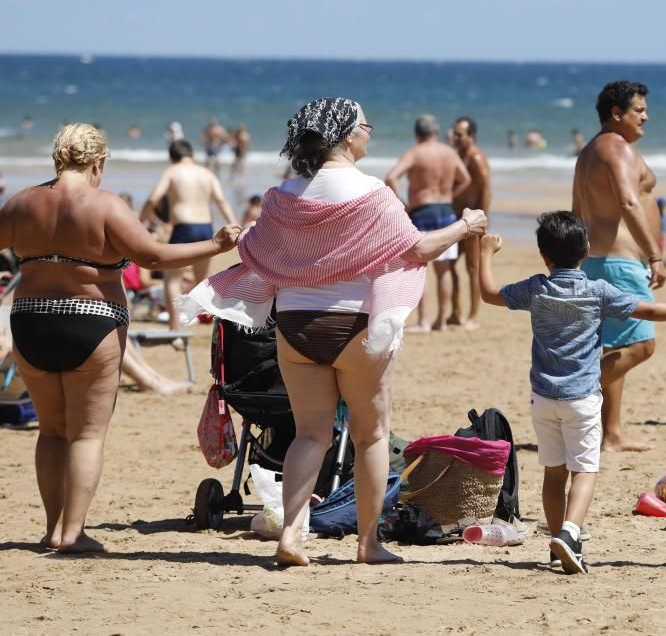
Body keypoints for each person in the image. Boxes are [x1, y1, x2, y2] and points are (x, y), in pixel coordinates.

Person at [179, 98, 487, 566]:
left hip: (297, 325)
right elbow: (418, 248)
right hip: (355, 323)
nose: (370, 132)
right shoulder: (373, 193)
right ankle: (368, 545)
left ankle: (291, 537)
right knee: (371, 436)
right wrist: (466, 226)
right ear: (347, 135)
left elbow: (257, 251)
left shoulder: (285, 195)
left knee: (309, 436)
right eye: (367, 124)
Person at [0, 123, 240, 553]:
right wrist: (216, 245)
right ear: (98, 163)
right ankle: (73, 534)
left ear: (57, 159)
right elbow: (153, 256)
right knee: (86, 435)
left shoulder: (21, 203)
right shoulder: (106, 204)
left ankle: (52, 529)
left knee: (51, 431)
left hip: (31, 320)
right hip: (91, 322)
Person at [479, 211, 666, 574]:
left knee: (553, 474)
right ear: (586, 250)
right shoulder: (597, 291)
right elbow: (647, 309)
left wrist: (485, 253)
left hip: (543, 397)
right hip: (583, 398)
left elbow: (488, 293)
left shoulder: (536, 287)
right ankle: (571, 533)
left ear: (544, 255)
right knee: (584, 472)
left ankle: (559, 540)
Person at [572, 80, 666, 453]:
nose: (646, 116)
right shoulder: (618, 148)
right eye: (638, 110)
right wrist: (655, 255)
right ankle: (572, 393)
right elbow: (629, 203)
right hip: (618, 263)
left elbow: (577, 208)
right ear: (616, 114)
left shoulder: (590, 151)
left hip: (598, 260)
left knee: (615, 346)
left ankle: (611, 433)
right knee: (642, 345)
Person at [139, 139, 238, 329]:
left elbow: (153, 199)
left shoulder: (172, 171)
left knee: (172, 279)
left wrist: (140, 222)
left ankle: (175, 327)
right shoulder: (206, 173)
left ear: (172, 158)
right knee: (202, 280)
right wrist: (235, 225)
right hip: (206, 229)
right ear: (192, 156)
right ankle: (201, 321)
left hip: (184, 228)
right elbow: (221, 201)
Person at [385, 115, 471, 331]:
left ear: (416, 134)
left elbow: (391, 177)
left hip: (422, 211)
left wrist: (403, 204)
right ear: (436, 132)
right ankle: (441, 321)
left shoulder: (416, 152)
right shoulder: (449, 152)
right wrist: (451, 195)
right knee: (444, 270)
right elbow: (466, 179)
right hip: (446, 210)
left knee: (419, 267)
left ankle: (423, 321)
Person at [449, 116, 492, 330]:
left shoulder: (475, 158)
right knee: (449, 264)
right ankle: (455, 312)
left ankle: (473, 316)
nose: (455, 137)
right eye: (454, 133)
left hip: (473, 222)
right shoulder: (459, 156)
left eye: (460, 134)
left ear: (471, 136)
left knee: (473, 269)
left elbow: (485, 189)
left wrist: (481, 219)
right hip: (458, 220)